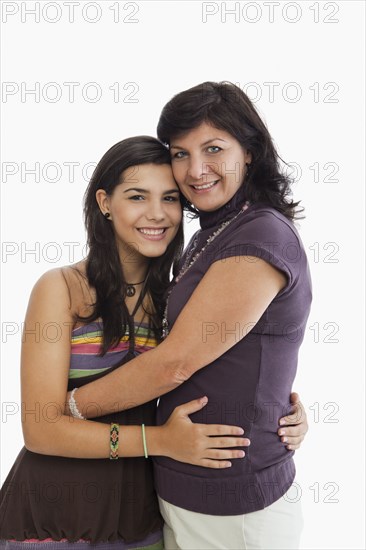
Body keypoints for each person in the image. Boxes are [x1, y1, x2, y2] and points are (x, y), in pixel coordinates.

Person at [58, 82, 312, 550]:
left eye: (214, 149)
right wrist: (281, 403)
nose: (195, 170)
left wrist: (68, 410)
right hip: (185, 490)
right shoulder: (212, 233)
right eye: (180, 153)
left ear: (250, 151)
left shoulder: (261, 236)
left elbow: (176, 362)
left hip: (232, 501)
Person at [0, 136, 251, 550]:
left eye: (169, 198)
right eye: (137, 196)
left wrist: (287, 413)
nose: (156, 214)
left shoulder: (178, 299)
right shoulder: (60, 289)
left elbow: (221, 370)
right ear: (104, 203)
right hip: (53, 516)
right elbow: (40, 430)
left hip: (141, 516)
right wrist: (158, 441)